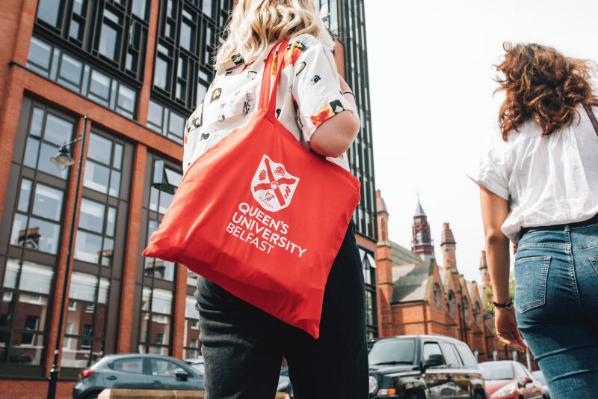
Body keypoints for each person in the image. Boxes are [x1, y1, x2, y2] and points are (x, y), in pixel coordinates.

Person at [184, 1, 367, 398]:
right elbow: (332, 135)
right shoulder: (304, 51)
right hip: (305, 249)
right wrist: (341, 88)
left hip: (227, 254)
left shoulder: (221, 82)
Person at [476, 42, 598, 399]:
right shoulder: (592, 116)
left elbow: (494, 235)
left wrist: (502, 306)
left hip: (537, 270)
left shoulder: (501, 140)